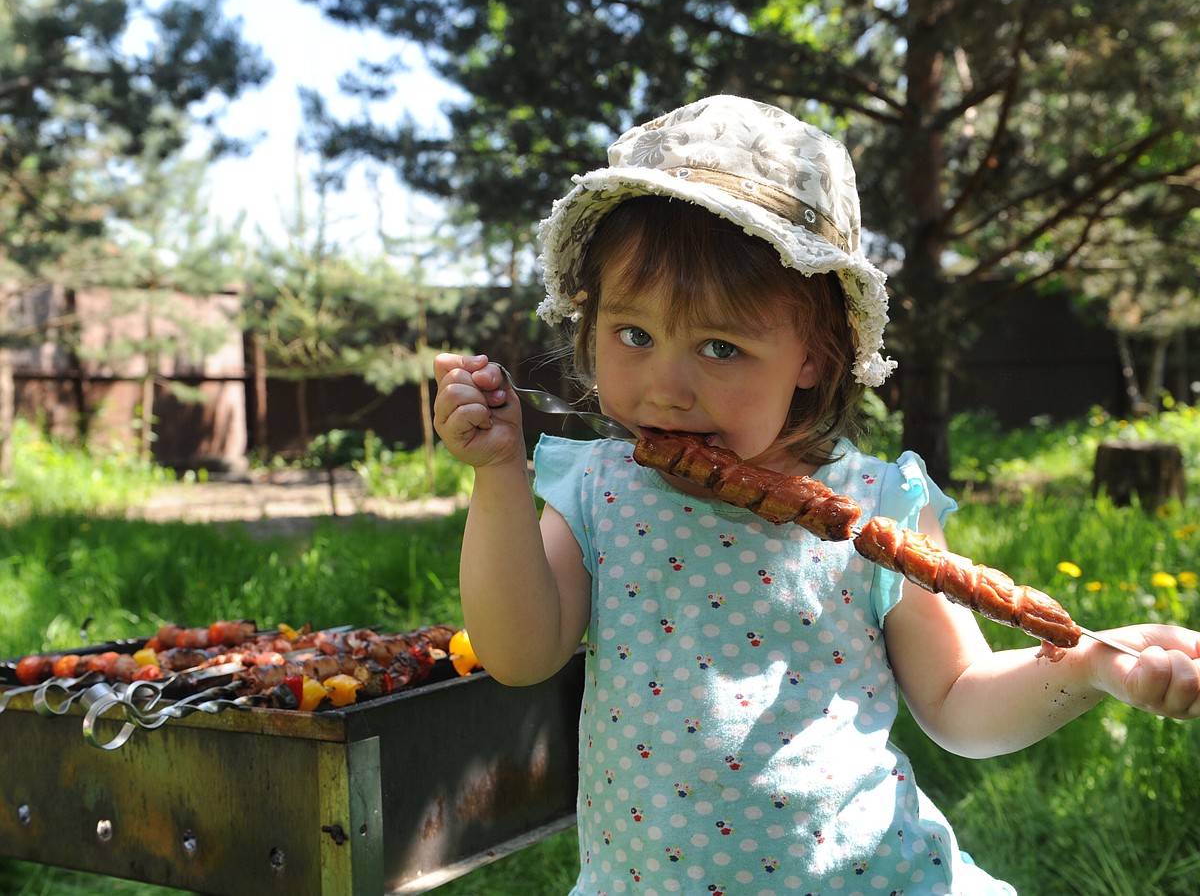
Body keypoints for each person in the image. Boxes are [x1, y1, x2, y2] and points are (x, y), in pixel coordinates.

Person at [433, 95, 1200, 895]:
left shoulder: (878, 508)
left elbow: (959, 702)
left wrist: (1088, 669)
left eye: (720, 347)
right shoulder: (599, 493)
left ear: (813, 353)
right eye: (634, 335)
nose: (666, 388)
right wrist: (498, 478)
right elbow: (519, 655)